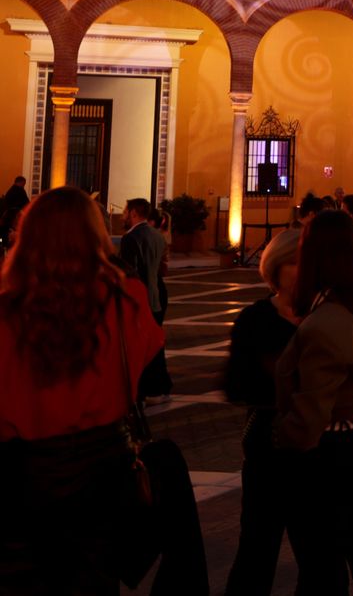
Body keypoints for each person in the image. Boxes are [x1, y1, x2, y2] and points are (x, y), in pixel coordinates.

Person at [0, 186, 171, 594]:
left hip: (21, 474)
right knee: (94, 581)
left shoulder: (7, 311)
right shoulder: (125, 300)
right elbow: (148, 348)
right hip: (102, 469)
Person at [275, 210, 353, 595]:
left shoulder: (326, 323)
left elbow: (311, 416)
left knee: (321, 571)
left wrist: (279, 439)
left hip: (329, 462)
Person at [222, 226, 302, 595]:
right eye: (295, 263)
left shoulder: (327, 316)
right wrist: (277, 375)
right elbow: (236, 385)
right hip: (268, 440)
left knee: (320, 552)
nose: (303, 270)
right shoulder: (255, 319)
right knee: (257, 544)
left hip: (316, 444)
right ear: (276, 268)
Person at [119, 197, 172, 402]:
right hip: (156, 295)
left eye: (125, 211)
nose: (123, 215)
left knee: (142, 346)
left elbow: (129, 272)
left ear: (133, 213)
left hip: (140, 298)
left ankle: (148, 387)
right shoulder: (157, 236)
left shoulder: (130, 238)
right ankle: (160, 386)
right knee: (155, 344)